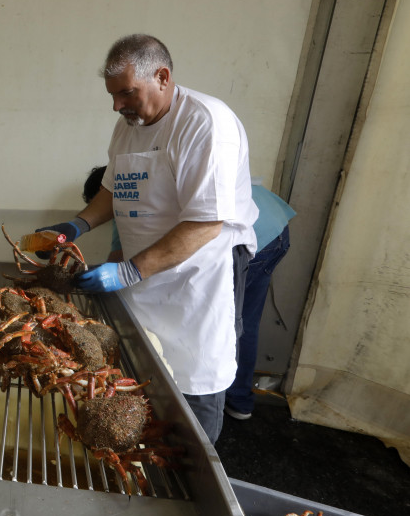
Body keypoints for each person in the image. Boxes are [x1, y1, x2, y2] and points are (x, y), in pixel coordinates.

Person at [38, 34, 258, 445]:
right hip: (142, 275)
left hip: (198, 280)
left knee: (194, 373)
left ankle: (194, 471)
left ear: (162, 76)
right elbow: (112, 189)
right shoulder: (127, 129)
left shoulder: (205, 123)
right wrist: (76, 226)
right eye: (113, 96)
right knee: (142, 371)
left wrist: (128, 270)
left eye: (126, 93)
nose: (117, 106)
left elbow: (206, 223)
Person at [224, 183, 295, 420]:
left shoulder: (135, 201)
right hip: (276, 227)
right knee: (246, 323)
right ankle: (240, 401)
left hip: (254, 236)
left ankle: (209, 404)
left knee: (222, 323)